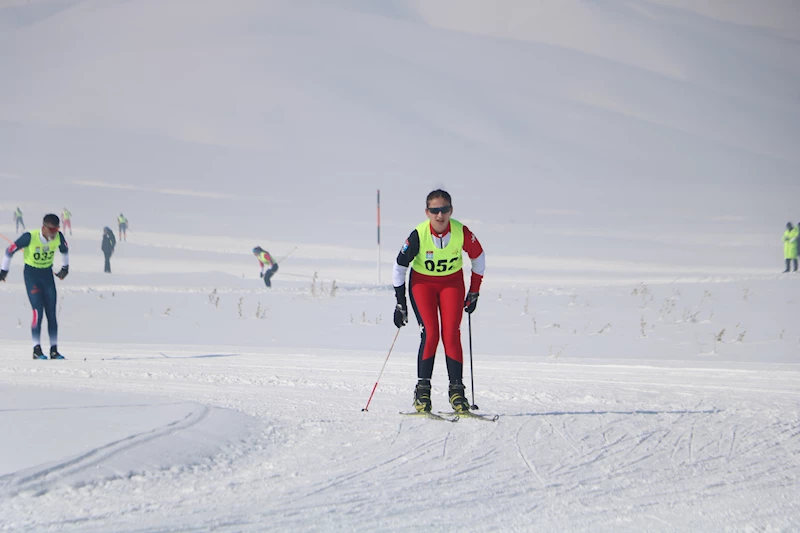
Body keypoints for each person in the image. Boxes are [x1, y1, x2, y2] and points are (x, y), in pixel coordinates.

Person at [392, 189, 485, 413]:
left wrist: (474, 292)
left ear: (451, 210)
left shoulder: (461, 232)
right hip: (422, 285)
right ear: (427, 212)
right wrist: (400, 302)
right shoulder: (419, 234)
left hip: (451, 284)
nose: (439, 215)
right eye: (434, 210)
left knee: (451, 333)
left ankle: (457, 393)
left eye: (444, 210)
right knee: (431, 333)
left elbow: (479, 258)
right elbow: (399, 268)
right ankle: (422, 392)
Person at [0, 214, 69, 359]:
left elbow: (64, 250)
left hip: (47, 276)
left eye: (56, 230)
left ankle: (54, 350)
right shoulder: (30, 237)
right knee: (38, 311)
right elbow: (9, 250)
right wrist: (3, 271)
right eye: (51, 230)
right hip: (32, 276)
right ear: (44, 227)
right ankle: (36, 350)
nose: (53, 233)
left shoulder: (58, 236)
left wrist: (65, 268)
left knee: (51, 314)